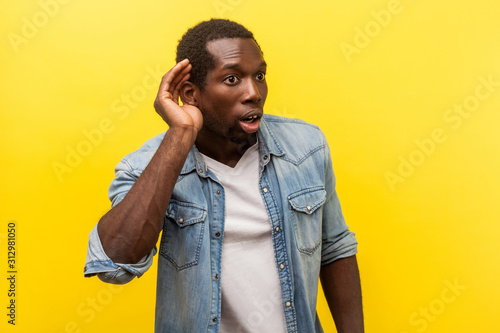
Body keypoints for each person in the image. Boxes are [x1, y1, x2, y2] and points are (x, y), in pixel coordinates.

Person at [84, 18, 364, 333]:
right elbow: (115, 265)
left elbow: (335, 247)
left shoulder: (306, 146)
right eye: (232, 79)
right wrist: (180, 135)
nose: (254, 92)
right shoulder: (148, 166)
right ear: (190, 93)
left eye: (259, 76)